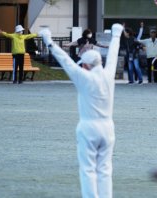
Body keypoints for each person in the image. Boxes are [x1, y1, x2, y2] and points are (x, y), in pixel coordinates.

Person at [38, 23, 123, 198]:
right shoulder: (108, 75)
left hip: (89, 127)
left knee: (88, 170)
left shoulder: (84, 77)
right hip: (108, 128)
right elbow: (113, 54)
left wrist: (48, 41)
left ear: (86, 65)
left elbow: (65, 61)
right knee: (105, 169)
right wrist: (116, 34)